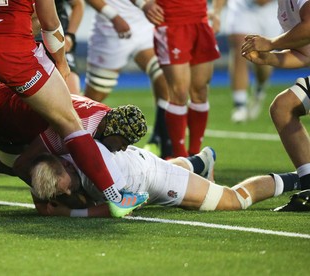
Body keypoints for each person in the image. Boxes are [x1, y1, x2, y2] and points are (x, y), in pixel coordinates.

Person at [0, 86, 148, 201]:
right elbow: (23, 165)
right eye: (125, 142)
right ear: (112, 128)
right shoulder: (77, 128)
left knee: (17, 159)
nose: (124, 148)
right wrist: (56, 199)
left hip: (15, 126)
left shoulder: (105, 117)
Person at [30, 145, 300, 217]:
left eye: (59, 184)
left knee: (233, 200)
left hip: (154, 180)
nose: (62, 191)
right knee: (162, 168)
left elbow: (119, 209)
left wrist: (70, 213)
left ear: (65, 164)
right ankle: (201, 162)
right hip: (140, 165)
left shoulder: (97, 175)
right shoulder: (62, 157)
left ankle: (299, 179)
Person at [241, 0, 310, 211]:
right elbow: (304, 54)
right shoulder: (284, 8)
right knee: (283, 107)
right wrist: (269, 58)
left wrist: (270, 43)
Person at [135, 0, 224, 158]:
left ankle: (196, 156)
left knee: (201, 91)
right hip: (171, 23)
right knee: (179, 93)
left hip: (201, 22)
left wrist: (216, 11)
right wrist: (143, 4)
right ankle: (179, 157)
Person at [84, 0, 172, 158]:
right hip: (111, 29)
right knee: (92, 100)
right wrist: (113, 16)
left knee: (167, 79)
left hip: (144, 23)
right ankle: (72, 145)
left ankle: (160, 140)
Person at [226, 0, 281, 123]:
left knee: (263, 58)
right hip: (242, 5)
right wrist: (217, 9)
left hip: (272, 9)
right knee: (240, 49)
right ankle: (239, 104)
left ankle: (260, 88)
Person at [32, 0, 84, 94]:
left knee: (72, 96)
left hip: (58, 40)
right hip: (26, 43)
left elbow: (78, 4)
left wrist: (70, 36)